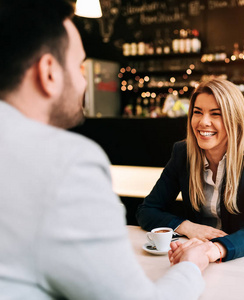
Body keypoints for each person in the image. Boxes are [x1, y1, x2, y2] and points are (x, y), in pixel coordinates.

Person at [0, 1, 213, 299]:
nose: (84, 81)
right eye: (78, 67)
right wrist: (192, 264)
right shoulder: (66, 162)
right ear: (49, 72)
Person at [137, 78, 244, 262]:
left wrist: (214, 249)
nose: (204, 122)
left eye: (216, 114)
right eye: (198, 112)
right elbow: (147, 210)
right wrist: (187, 227)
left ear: (235, 119)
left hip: (240, 256)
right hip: (192, 253)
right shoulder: (183, 153)